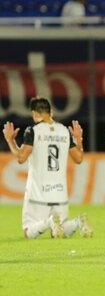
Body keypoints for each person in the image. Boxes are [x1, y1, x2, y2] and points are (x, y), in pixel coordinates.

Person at [2, 97, 93, 239]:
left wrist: (11, 141)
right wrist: (79, 140)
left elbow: (21, 158)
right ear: (51, 112)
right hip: (60, 192)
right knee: (60, 229)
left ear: (34, 113)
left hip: (38, 192)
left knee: (28, 231)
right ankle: (77, 223)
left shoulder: (33, 131)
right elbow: (79, 158)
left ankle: (49, 221)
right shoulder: (64, 131)